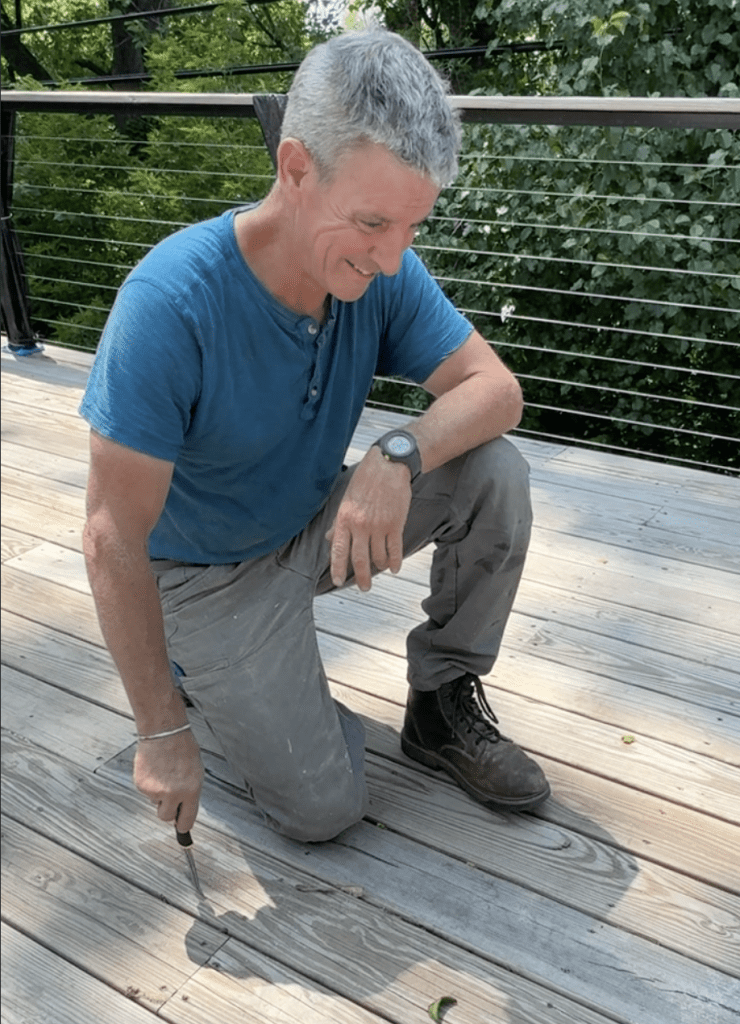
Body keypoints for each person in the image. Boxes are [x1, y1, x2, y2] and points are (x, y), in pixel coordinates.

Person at [80, 28, 550, 845]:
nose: (396, 259)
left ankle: (440, 704)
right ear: (295, 169)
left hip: (306, 522)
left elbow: (497, 392)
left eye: (411, 226)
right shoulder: (170, 302)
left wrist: (394, 452)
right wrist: (160, 730)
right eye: (373, 222)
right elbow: (109, 535)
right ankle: (199, 678)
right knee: (325, 812)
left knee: (492, 473)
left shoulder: (374, 264)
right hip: (200, 578)